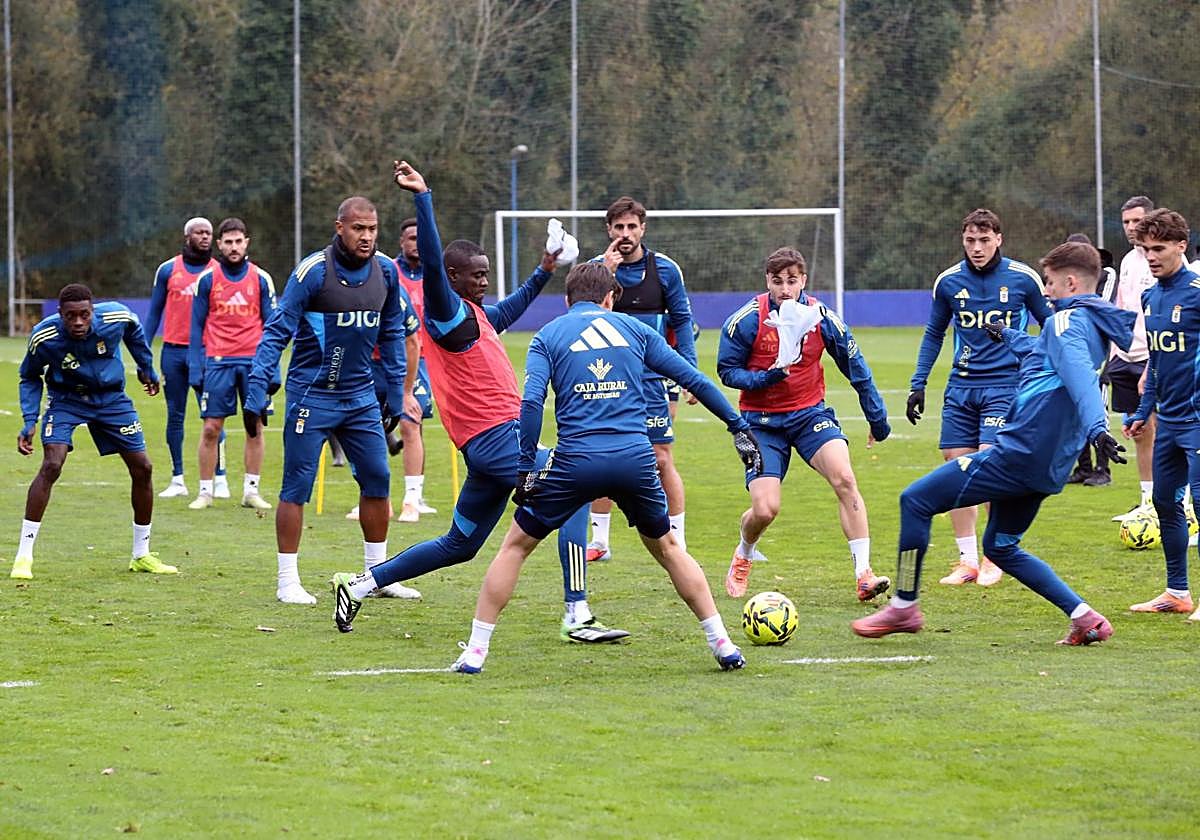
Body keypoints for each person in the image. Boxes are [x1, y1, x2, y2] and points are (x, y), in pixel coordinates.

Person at [375, 262, 762, 673]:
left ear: (567, 300)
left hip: (575, 464)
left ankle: (475, 652)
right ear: (610, 298)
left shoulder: (549, 335)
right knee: (668, 549)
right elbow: (696, 381)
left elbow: (530, 405)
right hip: (635, 460)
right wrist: (737, 426)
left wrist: (526, 466)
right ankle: (722, 644)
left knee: (514, 547)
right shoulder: (635, 330)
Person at [328, 160, 627, 644]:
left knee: (461, 543)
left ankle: (359, 584)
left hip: (487, 450)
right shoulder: (444, 310)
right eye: (477, 275)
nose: (485, 282)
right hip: (496, 440)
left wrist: (545, 268)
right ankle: (577, 612)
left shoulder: (474, 315)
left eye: (487, 274)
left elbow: (509, 309)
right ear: (450, 277)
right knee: (576, 483)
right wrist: (422, 198)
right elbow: (429, 254)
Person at [853, 240, 1134, 645]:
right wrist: (1008, 335)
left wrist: (1097, 427)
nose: (1047, 292)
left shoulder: (1063, 322)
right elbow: (1044, 355)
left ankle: (904, 605)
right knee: (1001, 545)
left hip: (1020, 453)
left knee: (915, 500)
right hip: (1047, 465)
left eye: (1052, 283)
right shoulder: (1088, 323)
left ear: (1070, 282)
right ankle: (1086, 617)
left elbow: (1076, 375)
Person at [243, 194, 419, 604]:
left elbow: (393, 334)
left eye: (372, 229)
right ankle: (287, 581)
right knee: (296, 487)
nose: (366, 237)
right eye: (358, 228)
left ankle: (377, 576)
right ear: (339, 227)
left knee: (378, 479)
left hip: (360, 399)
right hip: (311, 397)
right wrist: (257, 391)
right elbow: (276, 331)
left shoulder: (387, 272)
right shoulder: (313, 271)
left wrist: (395, 394)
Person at [717, 247, 892, 601]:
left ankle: (863, 574)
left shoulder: (821, 318)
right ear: (767, 281)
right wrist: (764, 379)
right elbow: (727, 371)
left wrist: (877, 417)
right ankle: (744, 552)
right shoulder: (747, 320)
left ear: (804, 282)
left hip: (809, 415)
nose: (785, 289)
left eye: (792, 281)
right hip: (761, 423)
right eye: (777, 281)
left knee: (844, 477)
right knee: (766, 509)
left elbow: (856, 367)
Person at [905, 208, 1053, 587]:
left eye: (984, 240)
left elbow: (1052, 326)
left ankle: (993, 556)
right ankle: (966, 559)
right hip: (961, 387)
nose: (977, 248)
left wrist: (1043, 369)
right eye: (970, 240)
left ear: (998, 239)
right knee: (956, 465)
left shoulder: (1024, 279)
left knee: (988, 464)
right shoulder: (949, 282)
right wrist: (918, 382)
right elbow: (934, 333)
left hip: (1006, 385)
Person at [11, 284, 177, 579]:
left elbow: (135, 331)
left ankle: (141, 554)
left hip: (111, 398)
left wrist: (146, 367)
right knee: (52, 464)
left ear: (93, 311)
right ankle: (23, 557)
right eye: (70, 316)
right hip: (66, 400)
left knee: (144, 468)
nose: (77, 322)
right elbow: (29, 375)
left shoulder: (115, 318)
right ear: (60, 314)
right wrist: (29, 419)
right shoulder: (44, 337)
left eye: (84, 315)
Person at [585, 196, 697, 562]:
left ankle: (676, 538)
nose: (625, 234)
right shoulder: (594, 271)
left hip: (650, 381)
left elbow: (681, 320)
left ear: (643, 229)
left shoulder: (665, 270)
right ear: (609, 230)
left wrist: (689, 375)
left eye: (632, 227)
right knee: (601, 458)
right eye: (619, 227)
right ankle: (599, 542)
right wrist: (606, 272)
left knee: (661, 458)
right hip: (605, 378)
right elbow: (580, 320)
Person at [1121, 209, 1200, 620]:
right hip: (1168, 421)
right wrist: (1143, 409)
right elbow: (1157, 360)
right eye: (1144, 248)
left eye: (1159, 248)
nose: (1150, 256)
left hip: (1198, 419)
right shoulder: (1151, 296)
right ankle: (1177, 592)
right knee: (1166, 504)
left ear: (1181, 246)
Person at [187, 218, 277, 511]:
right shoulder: (208, 280)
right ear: (220, 245)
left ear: (246, 243)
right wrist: (194, 366)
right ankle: (205, 492)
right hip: (218, 362)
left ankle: (251, 491)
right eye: (228, 242)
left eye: (239, 241)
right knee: (211, 428)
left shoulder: (261, 279)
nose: (234, 247)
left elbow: (273, 327)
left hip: (254, 364)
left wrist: (272, 370)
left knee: (254, 427)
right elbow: (196, 326)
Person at [144, 217, 229, 500]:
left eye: (208, 233)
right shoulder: (168, 270)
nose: (205, 237)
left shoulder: (220, 271)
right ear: (186, 237)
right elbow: (154, 313)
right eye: (199, 233)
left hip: (208, 353)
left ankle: (220, 478)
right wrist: (144, 355)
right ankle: (177, 478)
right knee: (175, 415)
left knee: (213, 417)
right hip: (173, 352)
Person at [1107, 196, 1159, 519]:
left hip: (1152, 357)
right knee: (1139, 432)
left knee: (1164, 431)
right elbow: (1125, 310)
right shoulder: (1127, 261)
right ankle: (1147, 503)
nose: (1130, 227)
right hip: (1125, 356)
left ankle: (1175, 506)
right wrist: (1115, 351)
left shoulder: (1161, 259)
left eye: (1136, 221)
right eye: (1125, 222)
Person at [393, 216, 439, 522]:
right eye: (412, 238)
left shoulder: (435, 275)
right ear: (401, 242)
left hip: (423, 360)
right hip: (387, 358)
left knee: (413, 423)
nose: (417, 244)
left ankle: (413, 497)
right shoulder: (389, 272)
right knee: (371, 426)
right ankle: (371, 494)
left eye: (421, 238)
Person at [1063, 232, 1117, 486]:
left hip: (1099, 355)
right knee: (1074, 414)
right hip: (1072, 355)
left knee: (1097, 411)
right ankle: (1083, 467)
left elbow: (1098, 306)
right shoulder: (1063, 280)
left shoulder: (1106, 275)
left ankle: (1103, 470)